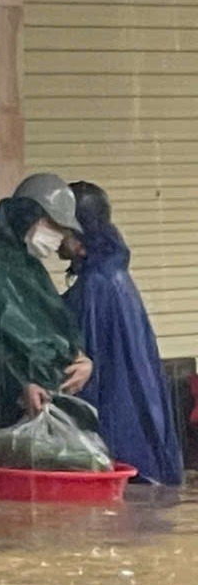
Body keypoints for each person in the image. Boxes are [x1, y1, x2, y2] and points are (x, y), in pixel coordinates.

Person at [0, 170, 94, 457]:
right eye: (52, 224)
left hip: (42, 406)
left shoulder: (30, 270)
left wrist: (80, 358)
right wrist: (19, 383)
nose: (58, 237)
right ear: (25, 214)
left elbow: (56, 323)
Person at [65, 180, 185, 486]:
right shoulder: (114, 274)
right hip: (140, 413)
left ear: (78, 233)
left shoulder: (96, 285)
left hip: (118, 421)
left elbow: (86, 361)